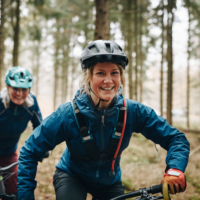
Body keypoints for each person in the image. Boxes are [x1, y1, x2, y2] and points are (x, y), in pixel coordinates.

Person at [17, 40, 190, 200]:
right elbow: (30, 151)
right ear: (89, 77)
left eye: (114, 73)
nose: (108, 80)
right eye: (100, 73)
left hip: (110, 182)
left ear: (121, 77)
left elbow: (176, 138)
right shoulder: (67, 113)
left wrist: (175, 168)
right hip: (72, 176)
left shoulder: (133, 111)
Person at [0, 66, 43, 198]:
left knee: (17, 187)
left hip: (9, 153)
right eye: (15, 89)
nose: (19, 93)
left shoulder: (31, 103)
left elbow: (40, 127)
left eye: (24, 89)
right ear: (8, 87)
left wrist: (42, 147)